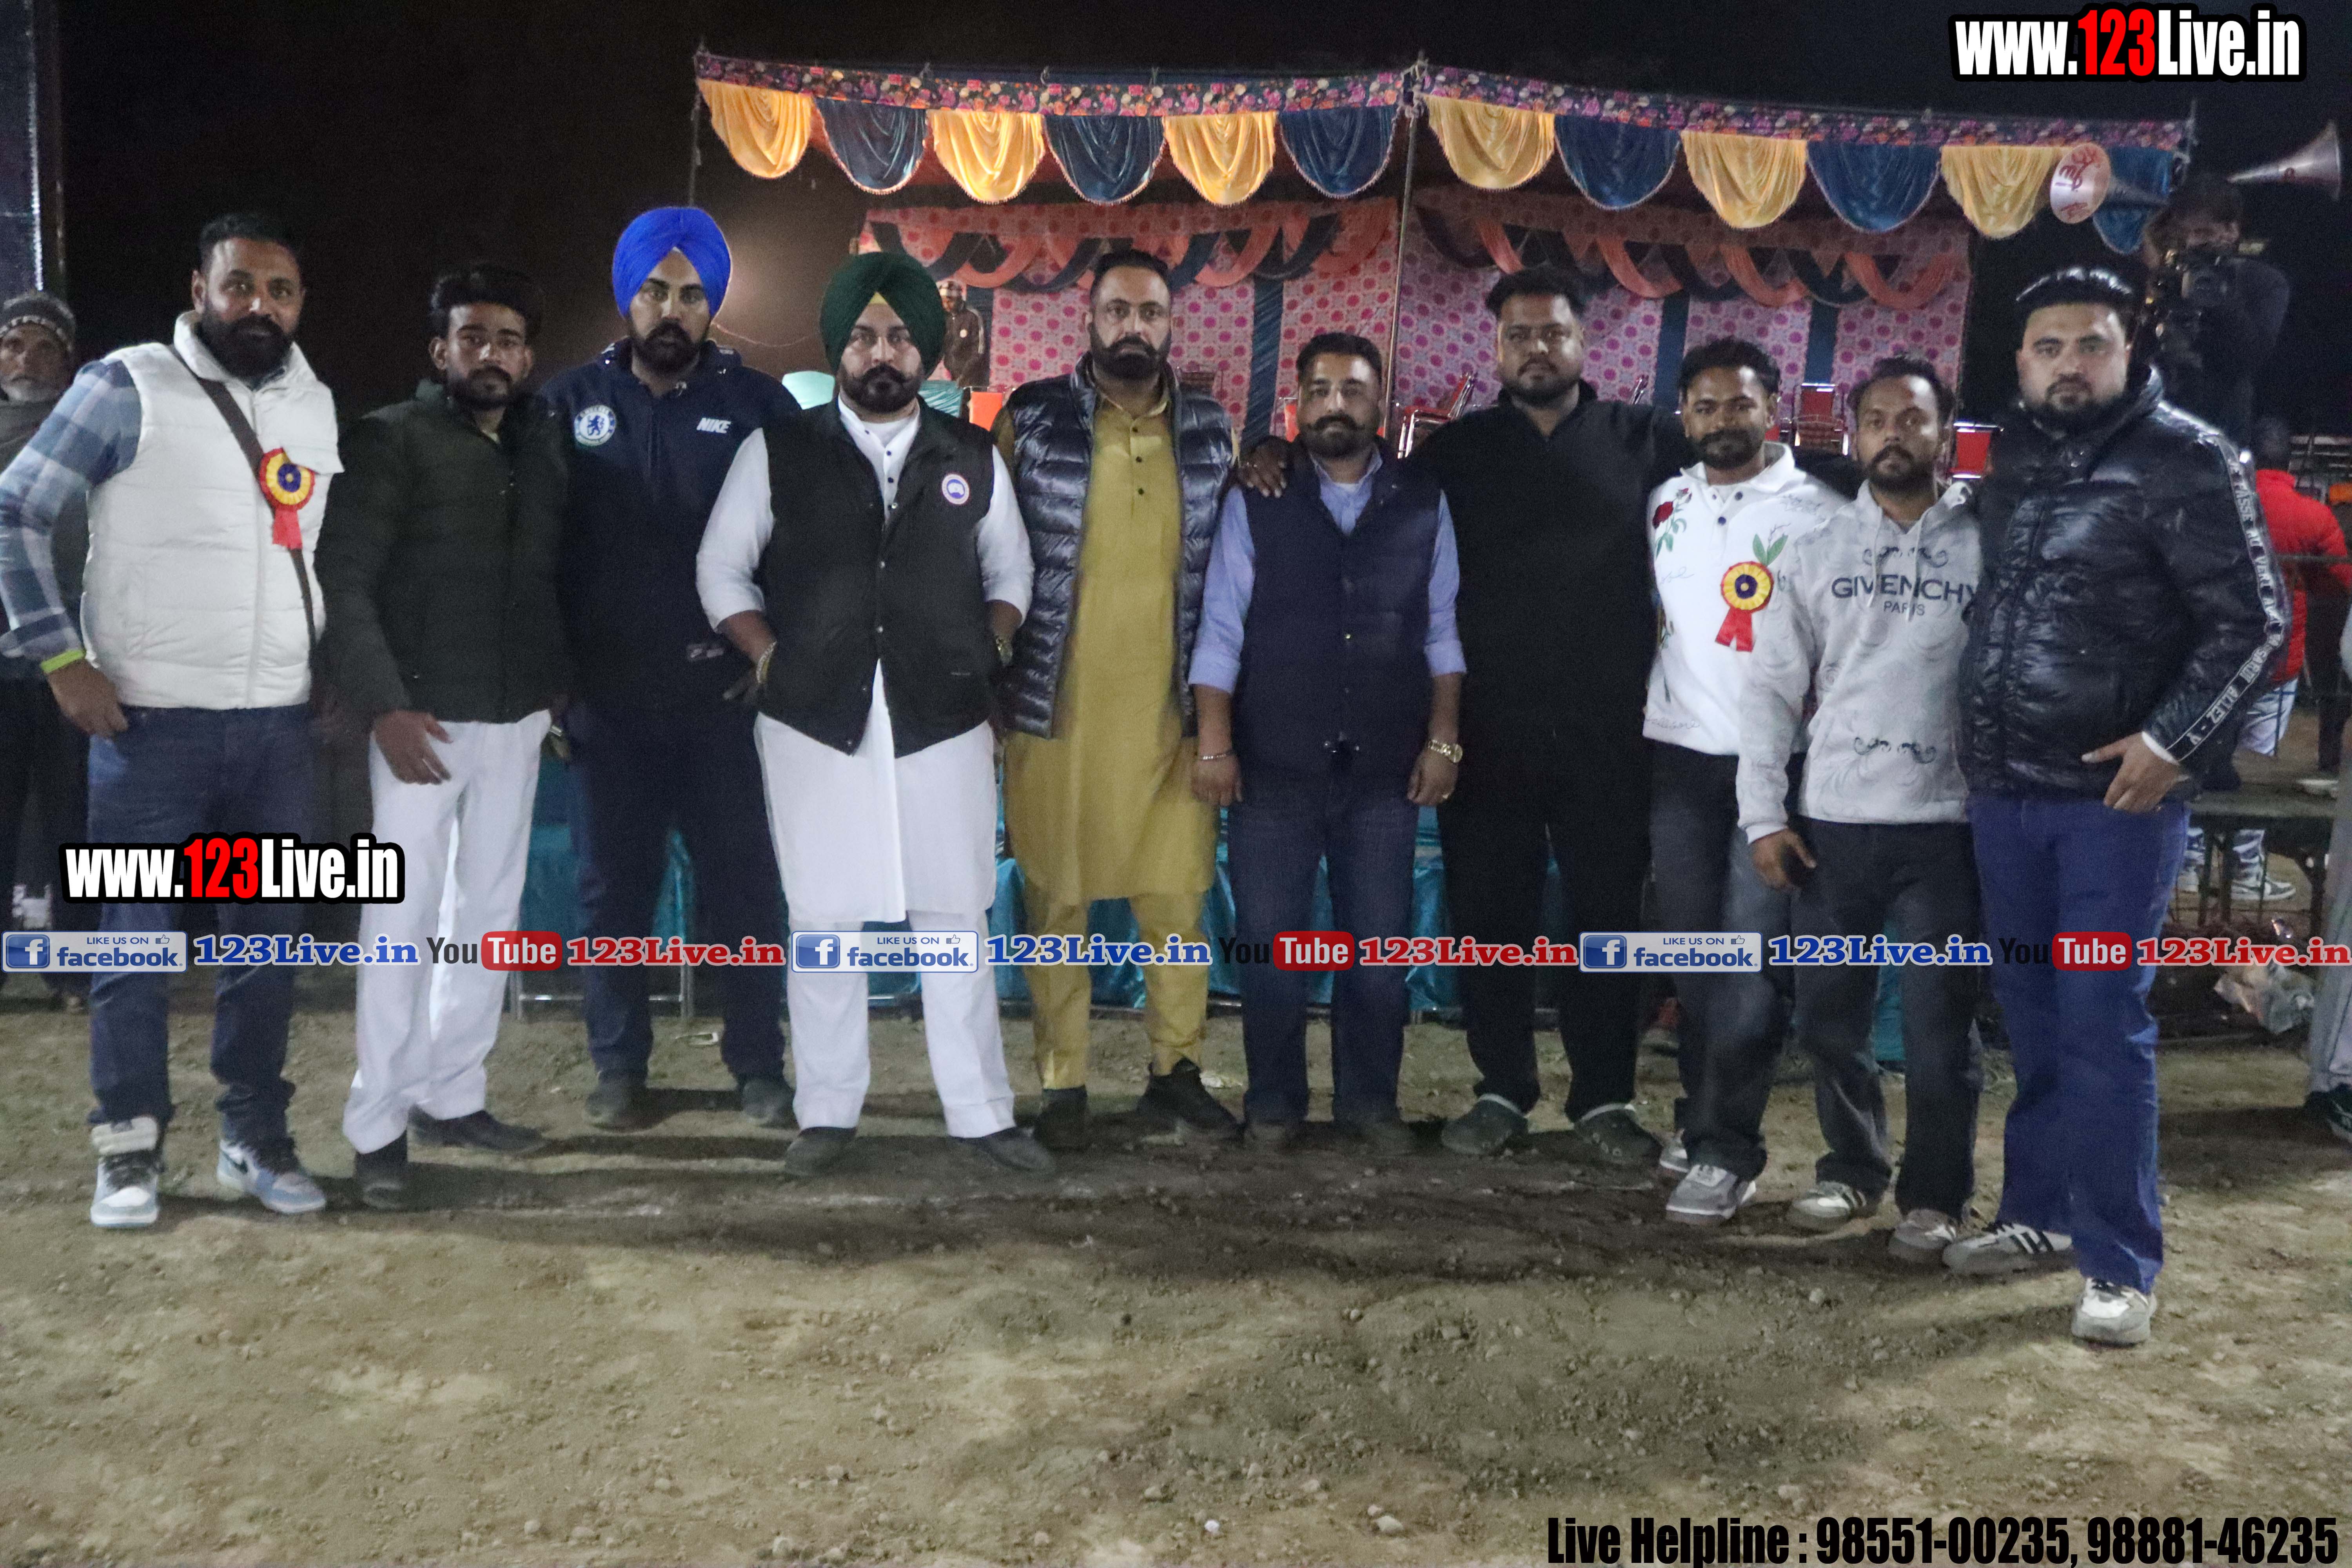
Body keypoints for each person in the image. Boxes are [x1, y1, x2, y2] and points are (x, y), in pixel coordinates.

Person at [1951, 267, 2283, 1346]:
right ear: (2020, 362)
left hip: (2113, 804)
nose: (2069, 366)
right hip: (2007, 793)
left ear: (2128, 351)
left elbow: (2255, 621)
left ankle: (2120, 1262)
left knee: (2101, 1022)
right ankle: (2039, 1213)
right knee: (2034, 1016)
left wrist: (2172, 742)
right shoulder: (2013, 456)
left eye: (2090, 344)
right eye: (2048, 347)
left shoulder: (2188, 457)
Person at [0, 213, 341, 1227]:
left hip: (275, 732)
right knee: (137, 949)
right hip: (150, 729)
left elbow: (305, 550)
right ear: (200, 290)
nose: (259, 305)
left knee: (265, 951)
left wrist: (320, 663)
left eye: (280, 290)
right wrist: (61, 658)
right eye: (240, 285)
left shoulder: (313, 403)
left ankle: (253, 1135)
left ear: (299, 305)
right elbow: (16, 510)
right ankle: (129, 1145)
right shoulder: (128, 384)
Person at [699, 252, 1049, 1178]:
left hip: (944, 718)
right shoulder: (778, 450)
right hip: (814, 722)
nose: (881, 352)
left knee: (956, 918)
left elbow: (1012, 569)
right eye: (863, 336)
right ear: (839, 348)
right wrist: (767, 655)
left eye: (898, 336)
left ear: (925, 351)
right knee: (823, 920)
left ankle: (980, 1113)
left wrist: (992, 644)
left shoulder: (969, 454)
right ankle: (827, 1111)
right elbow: (721, 570)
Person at [317, 263, 570, 1209]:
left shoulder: (542, 447)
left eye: (508, 340)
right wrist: (383, 704)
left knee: (489, 916)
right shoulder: (390, 440)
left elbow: (557, 574)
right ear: (440, 350)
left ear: (528, 357)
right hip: (419, 725)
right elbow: (344, 580)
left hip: (517, 718)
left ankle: (453, 1092)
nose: (491, 354)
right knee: (400, 923)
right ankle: (378, 1124)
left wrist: (557, 690)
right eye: (473, 338)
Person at [540, 207, 797, 1132]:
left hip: (722, 703)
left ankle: (758, 1065)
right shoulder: (567, 404)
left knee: (744, 892)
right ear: (628, 296)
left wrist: (772, 655)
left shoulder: (760, 406)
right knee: (613, 895)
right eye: (656, 291)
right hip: (607, 706)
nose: (673, 311)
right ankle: (619, 1067)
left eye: (692, 295)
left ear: (712, 305)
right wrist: (556, 674)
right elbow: (536, 547)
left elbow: (801, 544)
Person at [1723, 357, 1984, 1254]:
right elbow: (1769, 689)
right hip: (1833, 829)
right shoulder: (1817, 548)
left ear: (1945, 434)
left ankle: (1936, 1195)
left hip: (1947, 830)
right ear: (1855, 434)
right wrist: (1764, 816)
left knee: (1940, 1027)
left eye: (1913, 419)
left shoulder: (1986, 544)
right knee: (1830, 1017)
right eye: (1876, 420)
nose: (1893, 435)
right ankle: (1853, 1169)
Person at [1188, 333, 1463, 1152]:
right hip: (1273, 766)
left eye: (1351, 390)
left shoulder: (1423, 500)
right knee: (1272, 951)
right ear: (1296, 404)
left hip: (1385, 772)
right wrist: (1214, 746)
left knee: (1377, 955)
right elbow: (1221, 629)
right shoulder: (1258, 498)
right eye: (1318, 390)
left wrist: (1444, 740)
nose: (1333, 404)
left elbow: (1444, 631)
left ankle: (1369, 1104)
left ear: (1382, 404)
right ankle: (1273, 1103)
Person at [995, 250, 1239, 1152]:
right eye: (1117, 311)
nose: (1134, 327)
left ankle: (1176, 1072)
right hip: (1056, 708)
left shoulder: (1211, 428)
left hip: (1171, 713)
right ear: (1089, 319)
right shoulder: (1031, 418)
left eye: (1150, 313)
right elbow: (988, 549)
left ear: (1172, 324)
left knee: (1175, 899)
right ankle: (1063, 1083)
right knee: (1055, 900)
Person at [1641, 338, 1842, 1189]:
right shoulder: (1664, 502)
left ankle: (1729, 1150)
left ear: (1773, 409)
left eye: (1742, 403)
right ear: (1684, 416)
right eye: (1707, 406)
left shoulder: (1822, 511)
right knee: (1692, 958)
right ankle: (1700, 1116)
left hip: (1780, 770)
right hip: (1680, 763)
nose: (1724, 419)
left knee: (1749, 961)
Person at [2176, 415, 2348, 901]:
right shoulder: (2312, 515)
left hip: (2212, 660)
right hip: (2277, 662)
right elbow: (2339, 582)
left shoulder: (2215, 507)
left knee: (2199, 756)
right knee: (2258, 767)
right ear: (2289, 462)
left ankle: (2190, 863)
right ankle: (2246, 871)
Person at [0, 290, 93, 1008]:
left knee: (77, 822)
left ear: (68, 365)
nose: (26, 360)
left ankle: (77, 971)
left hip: (74, 661)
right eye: (12, 345)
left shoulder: (90, 436)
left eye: (43, 348)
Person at [2140, 172, 2288, 449]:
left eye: (2203, 233)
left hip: (2224, 422)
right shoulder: (2171, 277)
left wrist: (2217, 295)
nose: (2192, 243)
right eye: (2185, 234)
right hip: (2164, 412)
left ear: (2232, 230)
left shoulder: (2263, 281)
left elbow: (2251, 357)